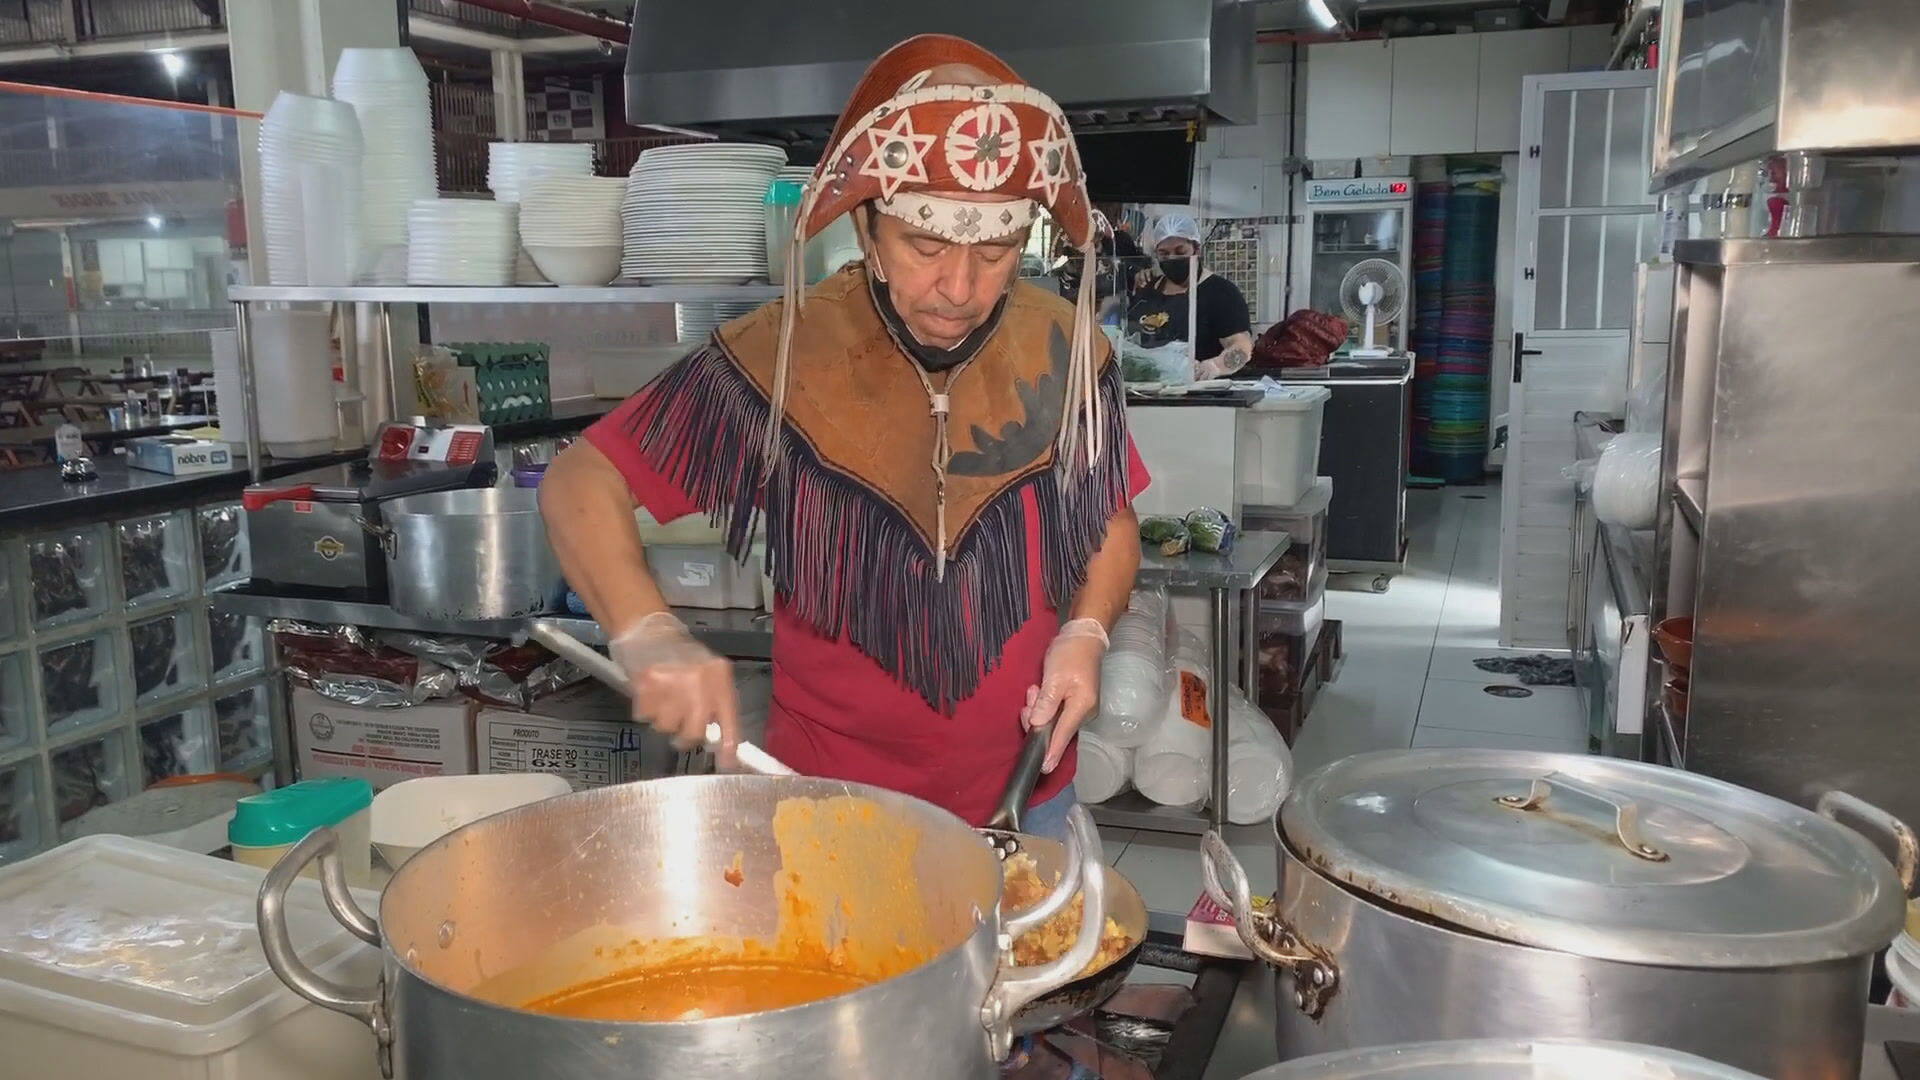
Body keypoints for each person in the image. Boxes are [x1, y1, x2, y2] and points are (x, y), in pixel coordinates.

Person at [540, 34, 1149, 839]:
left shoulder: (1070, 349)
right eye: (925, 247)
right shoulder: (783, 351)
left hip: (1027, 792)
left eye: (995, 252)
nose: (959, 289)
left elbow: (1105, 517)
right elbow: (580, 481)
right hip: (833, 807)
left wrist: (1087, 631)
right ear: (867, 228)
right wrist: (647, 632)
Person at [1126, 213, 1255, 379]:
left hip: (1201, 394)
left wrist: (1216, 366)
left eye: (1180, 252)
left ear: (1197, 250)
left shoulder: (1221, 292)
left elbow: (1242, 346)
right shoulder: (1147, 289)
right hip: (1149, 389)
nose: (1172, 258)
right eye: (1164, 253)